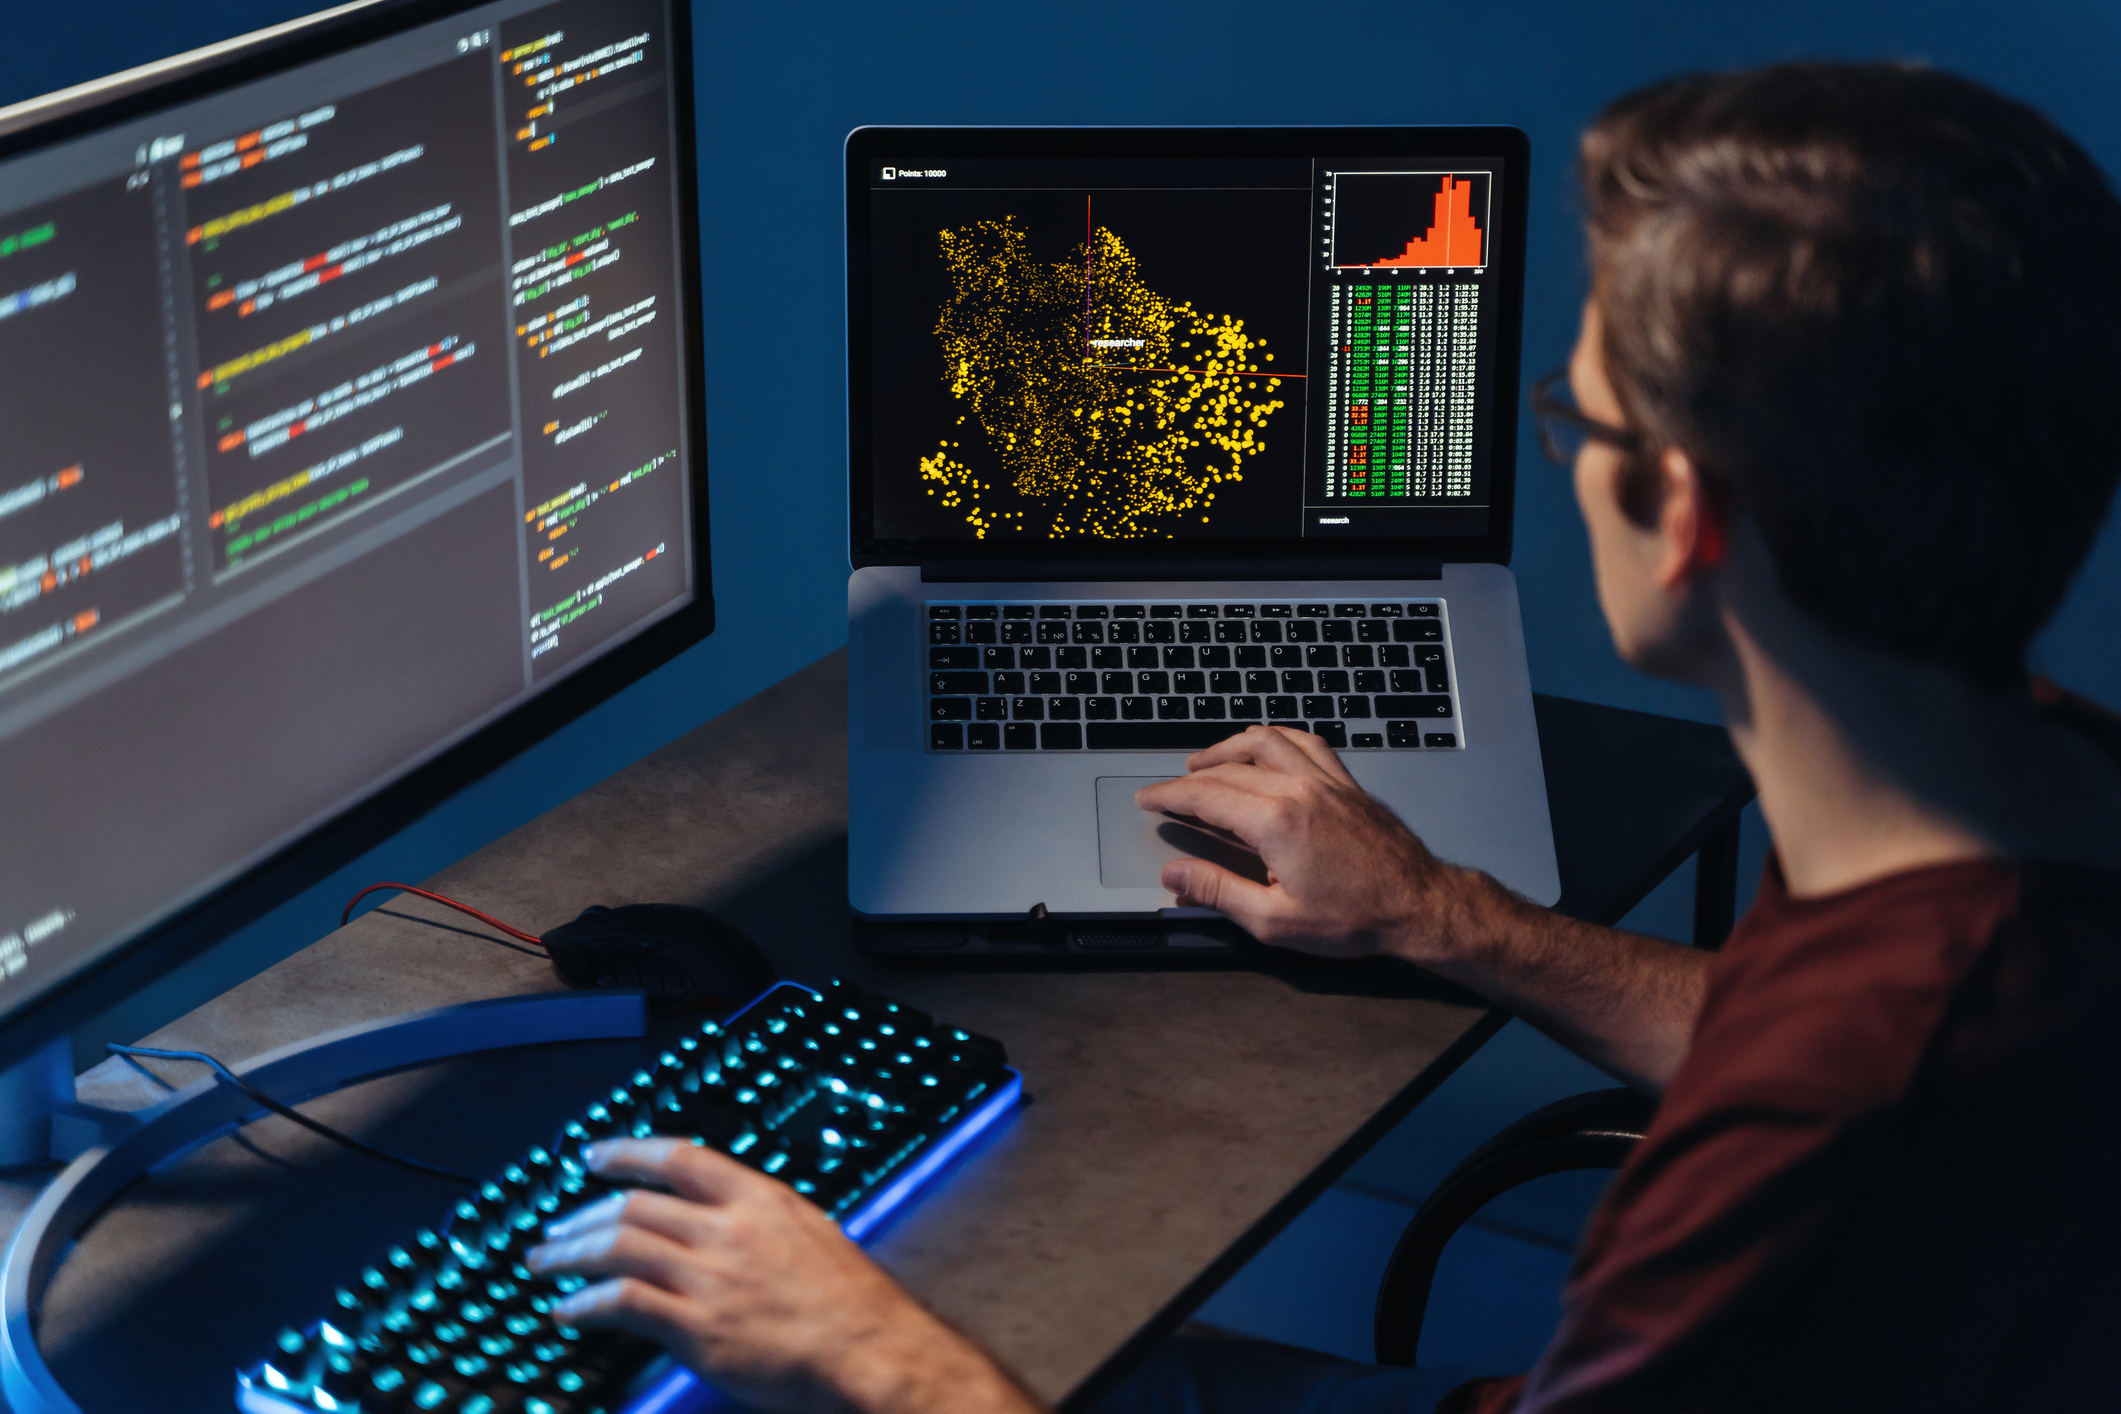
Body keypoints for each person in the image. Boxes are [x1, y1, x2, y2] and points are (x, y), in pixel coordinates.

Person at [524, 61, 2121, 1413]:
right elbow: (1785, 1028)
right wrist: (1448, 914)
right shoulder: (2035, 795)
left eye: (1575, 416)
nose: (1559, 448)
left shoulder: (1813, 1143)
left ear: (1682, 511)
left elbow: (1833, 1078)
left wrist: (871, 1346)